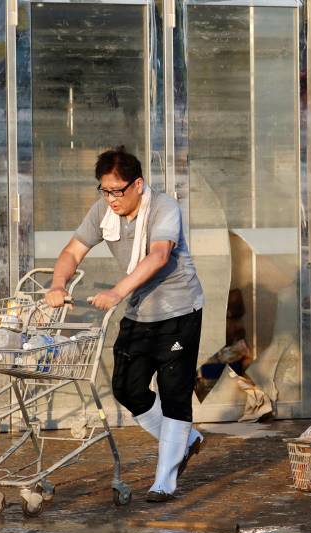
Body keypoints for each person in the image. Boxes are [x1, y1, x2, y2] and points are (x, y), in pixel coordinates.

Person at [45, 146, 205, 502]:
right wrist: (58, 285)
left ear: (137, 185)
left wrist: (117, 291)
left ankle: (164, 480)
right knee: (126, 388)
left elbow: (160, 255)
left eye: (117, 190)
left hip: (178, 311)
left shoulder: (164, 208)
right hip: (138, 311)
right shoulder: (104, 212)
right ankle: (187, 441)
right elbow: (72, 251)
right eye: (104, 190)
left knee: (174, 392)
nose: (111, 198)